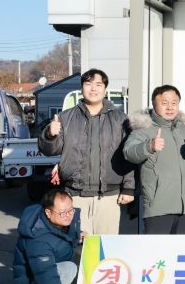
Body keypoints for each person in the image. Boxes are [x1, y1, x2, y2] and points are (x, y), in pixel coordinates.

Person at [38, 69, 134, 235]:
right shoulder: (65, 117)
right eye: (88, 84)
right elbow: (49, 150)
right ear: (82, 88)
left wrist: (129, 188)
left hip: (109, 197)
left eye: (98, 84)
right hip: (75, 196)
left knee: (105, 245)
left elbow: (128, 156)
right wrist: (49, 135)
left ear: (105, 89)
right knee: (78, 244)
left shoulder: (121, 119)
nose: (93, 88)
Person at [124, 85, 185, 234]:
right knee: (157, 249)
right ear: (154, 104)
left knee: (184, 248)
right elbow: (128, 152)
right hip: (159, 206)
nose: (170, 107)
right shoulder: (144, 128)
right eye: (164, 103)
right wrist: (149, 146)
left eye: (174, 103)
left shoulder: (184, 130)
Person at [13, 190, 83, 284]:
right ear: (48, 212)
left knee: (83, 260)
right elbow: (48, 278)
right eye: (63, 213)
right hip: (33, 279)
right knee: (69, 269)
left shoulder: (64, 219)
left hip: (52, 266)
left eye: (71, 210)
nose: (68, 215)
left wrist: (79, 236)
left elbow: (65, 239)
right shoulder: (37, 240)